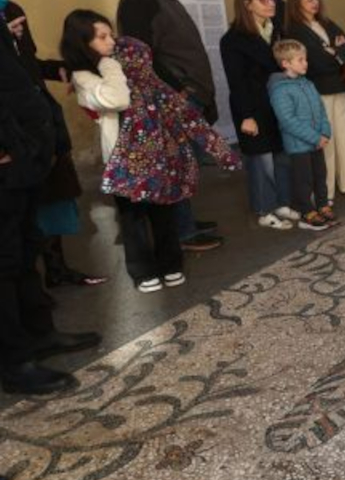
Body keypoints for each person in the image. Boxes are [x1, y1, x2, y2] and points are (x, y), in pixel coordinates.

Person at [67, 16, 238, 294]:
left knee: (163, 211)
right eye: (102, 37)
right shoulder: (85, 76)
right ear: (82, 43)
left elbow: (182, 112)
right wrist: (110, 65)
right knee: (133, 217)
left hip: (158, 154)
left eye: (111, 35)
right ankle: (143, 270)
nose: (112, 41)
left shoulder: (142, 77)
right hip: (123, 159)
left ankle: (171, 264)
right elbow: (116, 99)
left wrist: (219, 150)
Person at [2, 3, 101, 395]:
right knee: (3, 262)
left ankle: (39, 333)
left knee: (26, 249)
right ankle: (12, 361)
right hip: (8, 154)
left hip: (25, 155)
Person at [1, 0, 105, 287]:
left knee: (54, 194)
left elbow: (26, 65)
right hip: (14, 130)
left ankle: (57, 269)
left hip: (39, 120)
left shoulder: (13, 10)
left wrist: (62, 69)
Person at [116, 0, 222, 252]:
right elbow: (138, 55)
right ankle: (183, 232)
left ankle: (185, 220)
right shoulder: (139, 0)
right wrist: (178, 90)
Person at [220, 0, 298, 231]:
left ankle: (283, 202)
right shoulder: (233, 39)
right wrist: (246, 116)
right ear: (247, 4)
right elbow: (237, 82)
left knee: (282, 157)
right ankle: (265, 209)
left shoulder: (277, 31)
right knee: (261, 161)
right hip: (253, 107)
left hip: (278, 104)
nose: (270, 3)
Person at [283, 0, 345, 193]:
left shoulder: (326, 22)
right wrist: (336, 53)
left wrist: (335, 53)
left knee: (344, 137)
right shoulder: (295, 29)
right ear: (297, 0)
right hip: (317, 90)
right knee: (325, 140)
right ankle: (326, 190)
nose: (315, 2)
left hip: (338, 86)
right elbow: (316, 62)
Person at [269, 40, 333, 232]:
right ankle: (306, 211)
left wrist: (324, 132)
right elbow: (288, 121)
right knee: (303, 180)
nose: (305, 63)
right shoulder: (280, 90)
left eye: (305, 59)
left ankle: (322, 204)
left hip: (316, 141)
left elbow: (321, 110)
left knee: (320, 175)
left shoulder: (308, 84)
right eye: (300, 60)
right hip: (298, 145)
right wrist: (315, 137)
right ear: (285, 63)